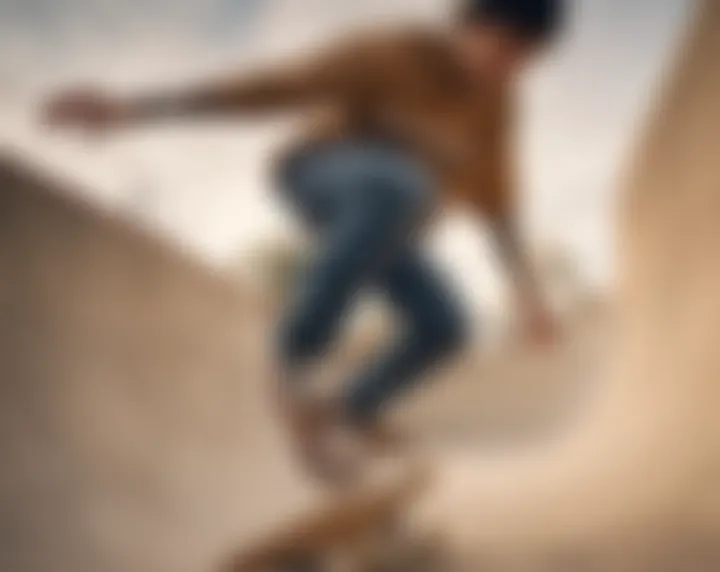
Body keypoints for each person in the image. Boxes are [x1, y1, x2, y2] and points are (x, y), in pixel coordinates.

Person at [42, 0, 565, 485]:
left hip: (390, 223)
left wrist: (529, 297)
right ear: (467, 25)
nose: (505, 65)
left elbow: (499, 211)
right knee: (400, 185)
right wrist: (134, 110)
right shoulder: (389, 53)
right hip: (318, 173)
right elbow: (272, 86)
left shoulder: (496, 109)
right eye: (499, 44)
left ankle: (347, 416)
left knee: (446, 325)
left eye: (524, 58)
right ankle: (295, 366)